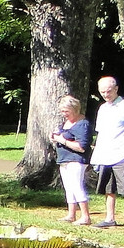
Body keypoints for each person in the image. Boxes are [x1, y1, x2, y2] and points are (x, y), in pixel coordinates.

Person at [90, 76, 124, 230]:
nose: (106, 95)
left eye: (108, 91)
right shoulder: (103, 108)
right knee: (108, 188)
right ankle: (109, 218)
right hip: (105, 154)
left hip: (122, 154)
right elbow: (100, 132)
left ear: (116, 89)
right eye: (102, 92)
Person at [50, 95, 91, 224]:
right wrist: (56, 137)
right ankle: (71, 214)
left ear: (75, 109)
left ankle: (85, 216)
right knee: (68, 187)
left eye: (66, 111)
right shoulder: (67, 123)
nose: (64, 114)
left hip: (76, 160)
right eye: (62, 111)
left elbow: (81, 147)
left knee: (76, 186)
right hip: (64, 160)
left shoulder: (82, 124)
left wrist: (62, 140)